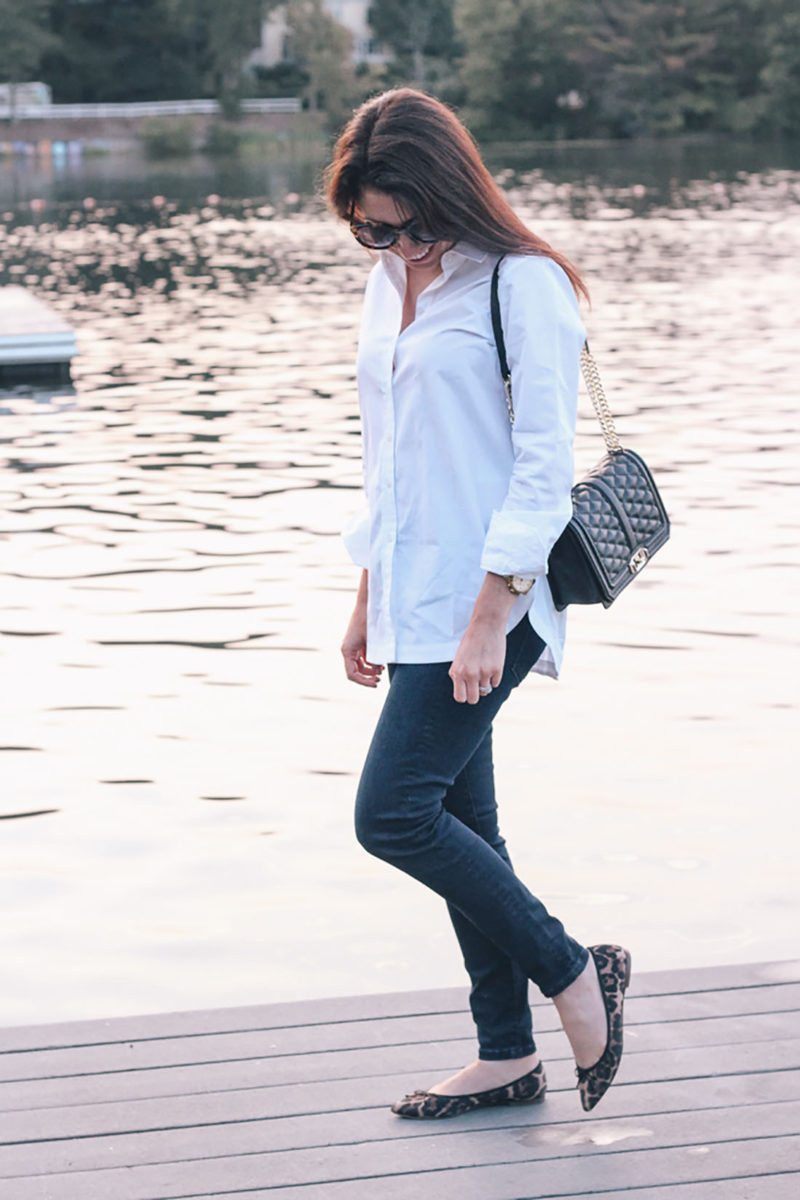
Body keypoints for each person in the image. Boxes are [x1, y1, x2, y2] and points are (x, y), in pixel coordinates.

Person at [325, 88, 631, 1120]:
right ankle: (505, 1050)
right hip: (413, 593)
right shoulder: (386, 281)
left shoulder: (521, 283)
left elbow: (543, 468)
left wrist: (486, 619)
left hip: (492, 597)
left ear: (448, 191)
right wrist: (367, 591)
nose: (394, 245)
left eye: (409, 224)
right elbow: (387, 458)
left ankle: (572, 970)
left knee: (391, 812)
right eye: (371, 227)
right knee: (464, 821)